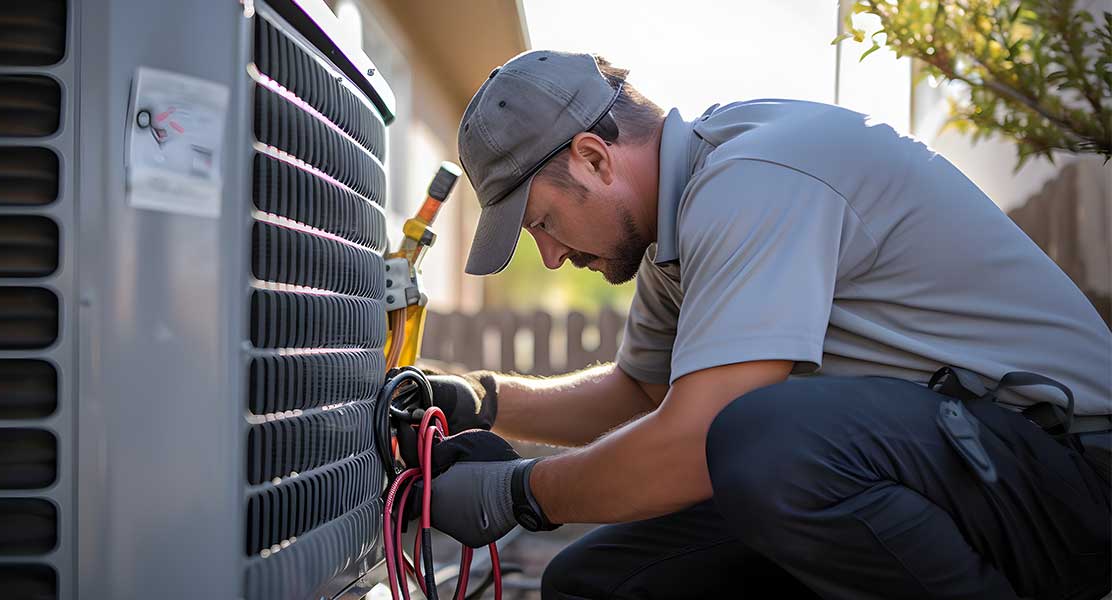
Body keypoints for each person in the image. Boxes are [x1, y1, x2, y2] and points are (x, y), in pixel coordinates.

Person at [416, 50, 1112, 599]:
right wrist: (481, 399)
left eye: (542, 222)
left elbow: (693, 443)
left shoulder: (755, 178)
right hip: (953, 476)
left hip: (1070, 477)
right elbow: (642, 395)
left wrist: (519, 494)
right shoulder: (676, 228)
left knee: (763, 440)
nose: (551, 254)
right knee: (596, 584)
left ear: (594, 159)